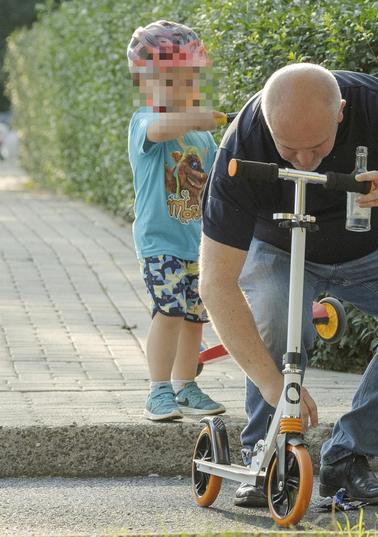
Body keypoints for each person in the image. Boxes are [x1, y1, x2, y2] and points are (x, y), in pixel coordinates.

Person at [200, 63, 378, 505]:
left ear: (341, 113)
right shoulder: (242, 142)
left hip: (373, 241)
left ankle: (348, 457)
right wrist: (274, 384)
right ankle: (266, 451)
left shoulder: (374, 103)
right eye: (288, 149)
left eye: (318, 146)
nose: (305, 161)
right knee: (275, 314)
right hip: (279, 246)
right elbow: (216, 284)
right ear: (267, 123)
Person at [127, 20, 225, 421]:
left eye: (190, 82)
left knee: (193, 317)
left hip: (195, 242)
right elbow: (163, 128)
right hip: (160, 242)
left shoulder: (202, 139)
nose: (183, 91)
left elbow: (219, 177)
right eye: (171, 83)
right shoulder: (145, 123)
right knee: (168, 311)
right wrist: (194, 118)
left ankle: (186, 386)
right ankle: (158, 390)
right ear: (147, 85)